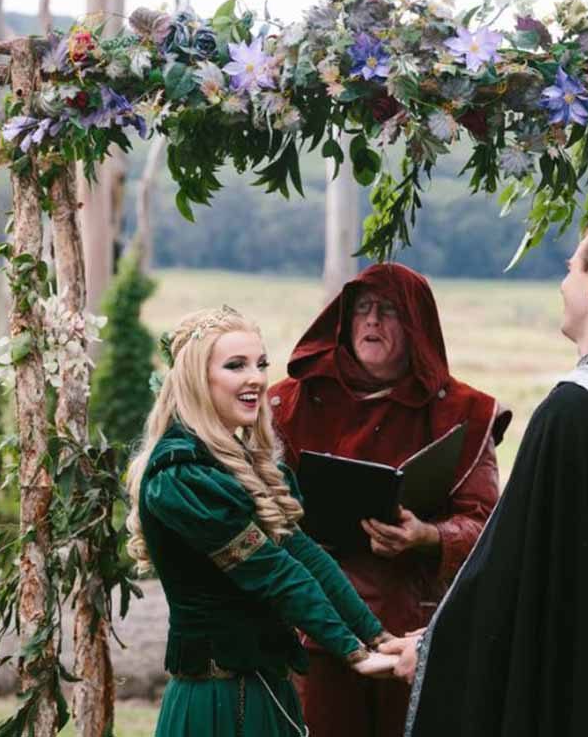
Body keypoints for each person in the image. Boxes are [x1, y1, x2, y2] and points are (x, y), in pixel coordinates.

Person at [384, 213, 588, 737]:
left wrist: (436, 646)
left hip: (575, 684)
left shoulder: (573, 412)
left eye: (571, 267)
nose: (563, 281)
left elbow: (511, 563)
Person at [125, 307, 396, 737]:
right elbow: (274, 573)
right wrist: (353, 653)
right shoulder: (182, 477)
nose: (256, 378)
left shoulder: (235, 464)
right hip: (217, 703)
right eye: (236, 365)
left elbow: (305, 556)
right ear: (197, 378)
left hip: (263, 689)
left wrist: (376, 636)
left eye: (260, 364)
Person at [268, 263, 512, 737]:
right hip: (313, 625)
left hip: (414, 631)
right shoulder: (292, 403)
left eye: (388, 311)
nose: (372, 321)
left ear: (416, 326)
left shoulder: (462, 412)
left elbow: (485, 526)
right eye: (362, 309)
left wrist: (427, 536)